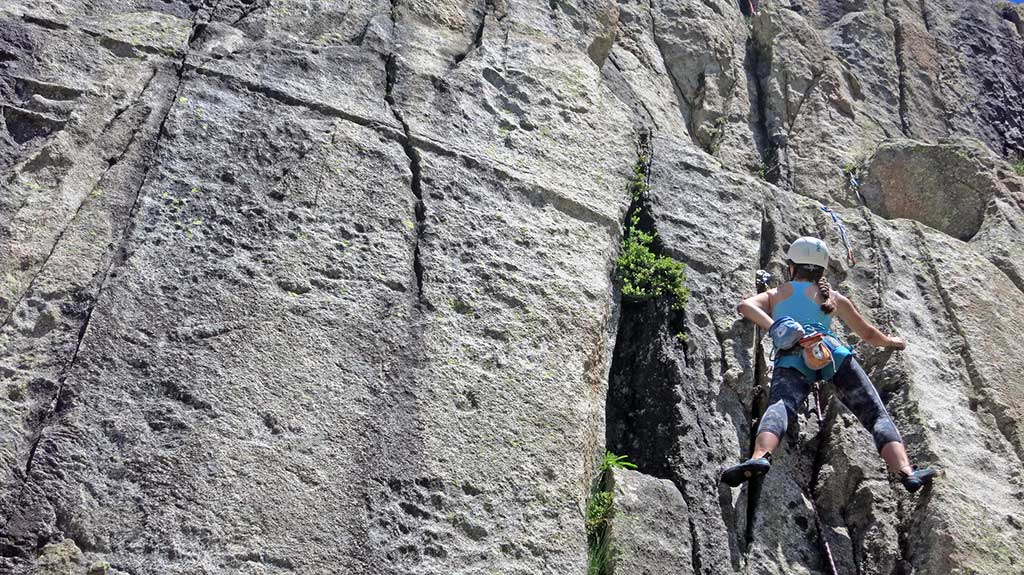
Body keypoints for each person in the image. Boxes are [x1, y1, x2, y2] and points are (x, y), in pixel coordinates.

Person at [722, 237, 935, 493]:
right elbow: (868, 334)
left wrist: (778, 328)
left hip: (792, 357)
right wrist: (892, 341)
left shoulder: (778, 293)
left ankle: (759, 457)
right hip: (832, 354)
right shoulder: (832, 298)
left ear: (792, 266)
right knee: (875, 414)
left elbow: (745, 306)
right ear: (822, 270)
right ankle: (907, 473)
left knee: (780, 407)